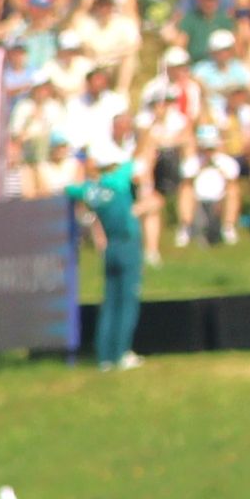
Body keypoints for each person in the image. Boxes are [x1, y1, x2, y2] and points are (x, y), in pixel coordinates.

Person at [68, 158, 149, 371]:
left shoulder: (91, 191)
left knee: (110, 302)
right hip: (127, 244)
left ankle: (104, 356)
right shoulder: (119, 183)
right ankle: (121, 353)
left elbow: (70, 190)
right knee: (127, 302)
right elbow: (135, 164)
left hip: (109, 246)